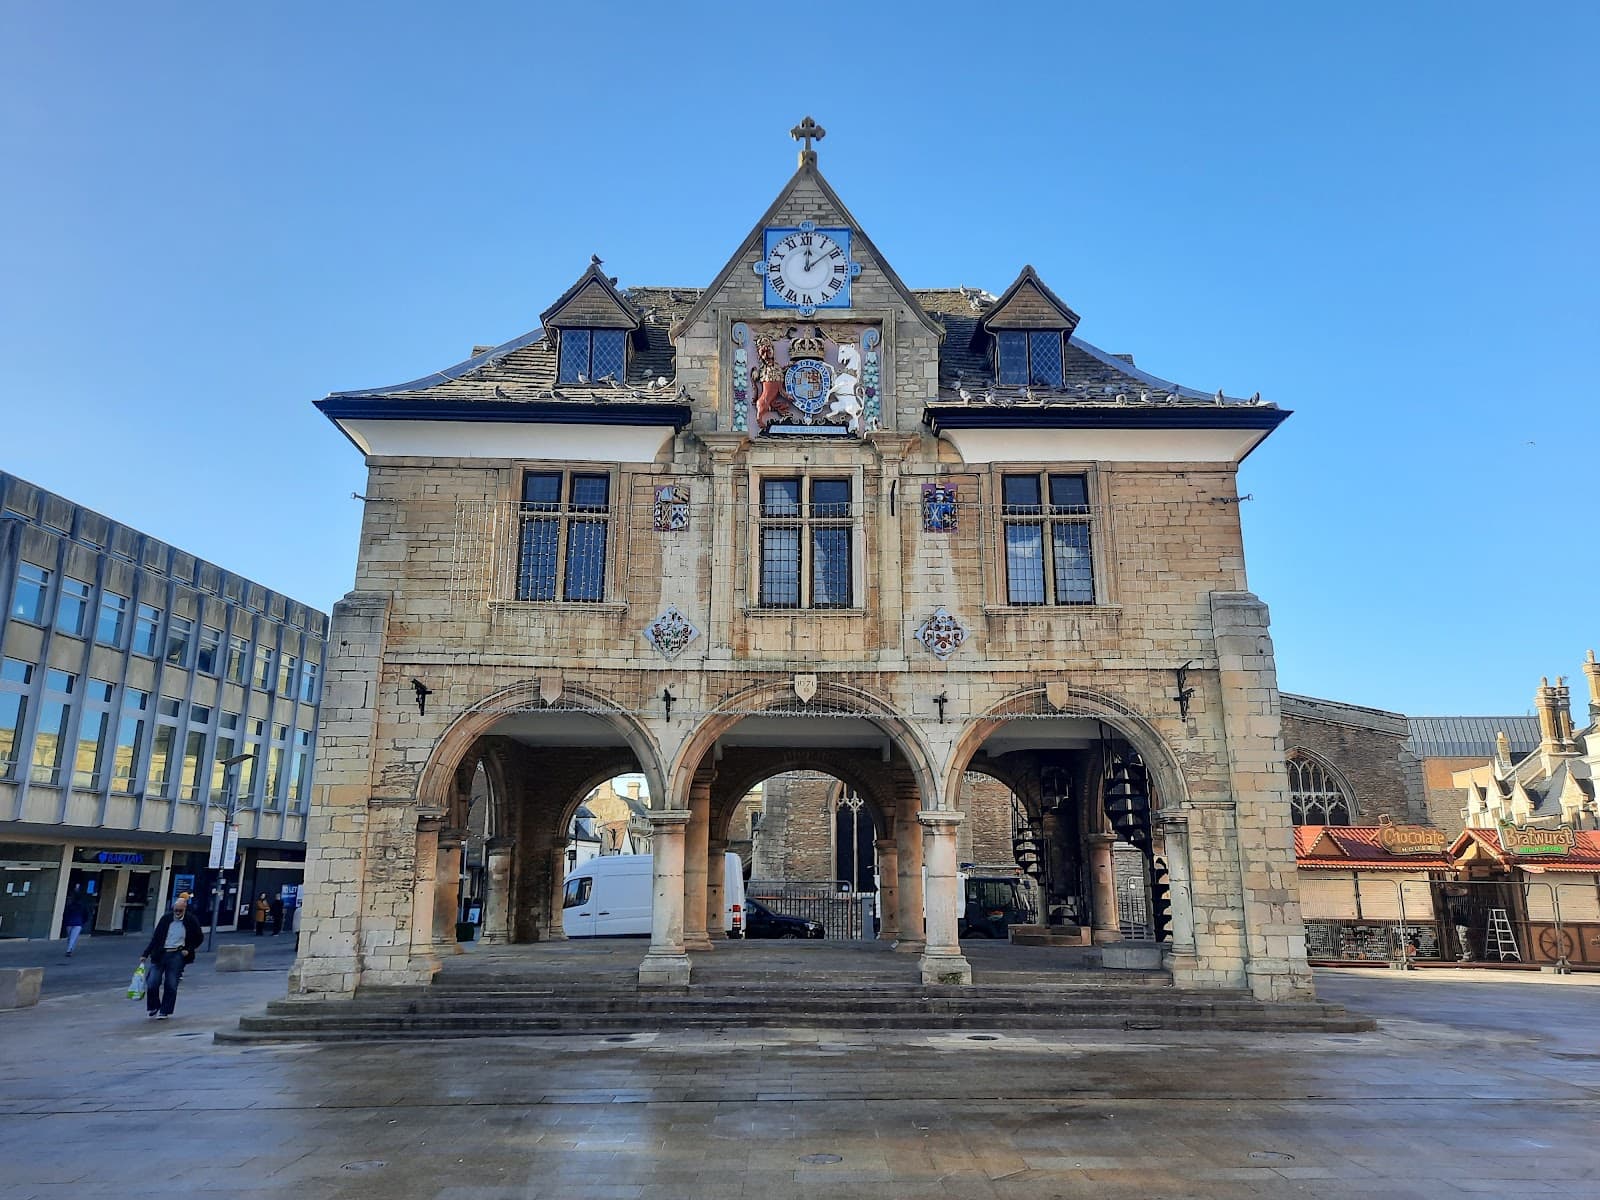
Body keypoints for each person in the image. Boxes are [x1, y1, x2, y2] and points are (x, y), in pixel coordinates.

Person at [140, 895, 203, 1019]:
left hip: (177, 954)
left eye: (180, 910)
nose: (178, 913)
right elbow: (156, 938)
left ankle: (165, 1010)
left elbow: (199, 937)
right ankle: (154, 1006)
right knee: (152, 982)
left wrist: (188, 950)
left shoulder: (190, 920)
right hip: (161, 953)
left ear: (185, 909)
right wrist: (145, 954)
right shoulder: (166, 919)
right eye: (176, 910)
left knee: (171, 983)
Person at [62, 892, 89, 957]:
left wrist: (65, 922)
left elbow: (65, 914)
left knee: (70, 937)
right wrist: (83, 922)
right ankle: (70, 949)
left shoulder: (70, 906)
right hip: (78, 923)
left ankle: (69, 949)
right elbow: (86, 915)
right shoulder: (82, 906)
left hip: (69, 923)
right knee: (73, 937)